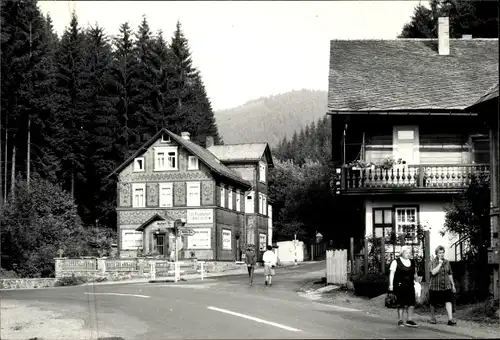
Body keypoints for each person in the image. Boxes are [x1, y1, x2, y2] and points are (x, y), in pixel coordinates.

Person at [389, 246, 419, 327]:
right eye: (406, 252)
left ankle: (409, 320)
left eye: (409, 253)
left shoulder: (412, 262)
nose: (408, 254)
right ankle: (400, 320)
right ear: (402, 253)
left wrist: (417, 281)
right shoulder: (396, 262)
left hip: (410, 285)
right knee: (400, 303)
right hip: (399, 285)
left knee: (411, 302)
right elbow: (392, 274)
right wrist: (391, 285)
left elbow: (415, 273)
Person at [429, 245, 457, 326]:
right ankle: (433, 318)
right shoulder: (432, 262)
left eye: (442, 253)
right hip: (435, 286)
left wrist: (453, 285)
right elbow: (433, 272)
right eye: (439, 253)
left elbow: (450, 273)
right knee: (433, 303)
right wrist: (439, 265)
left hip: (446, 285)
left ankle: (450, 319)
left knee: (448, 301)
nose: (441, 254)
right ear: (436, 254)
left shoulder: (447, 262)